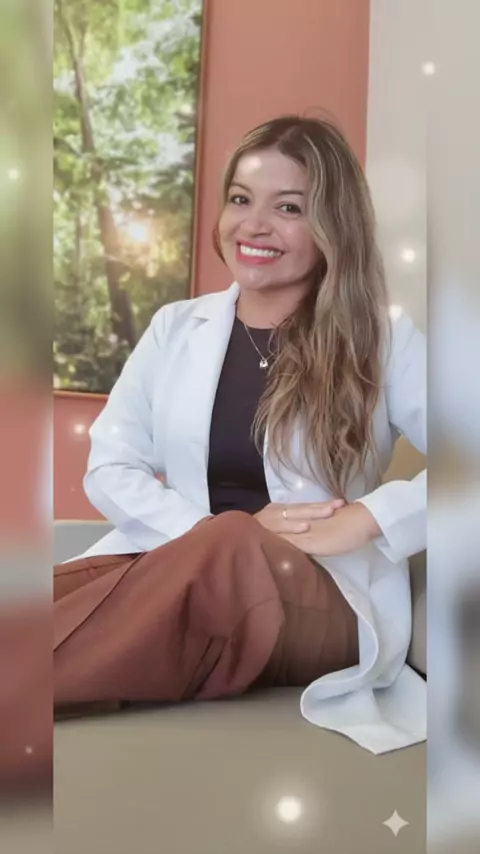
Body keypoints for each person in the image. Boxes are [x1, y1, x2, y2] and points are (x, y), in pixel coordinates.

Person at [54, 116, 426, 754]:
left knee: (229, 542)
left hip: (321, 597)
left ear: (333, 224)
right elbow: (110, 466)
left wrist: (370, 517)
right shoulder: (176, 327)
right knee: (58, 592)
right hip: (190, 569)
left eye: (288, 207)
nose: (254, 225)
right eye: (240, 199)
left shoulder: (383, 339)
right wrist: (210, 532)